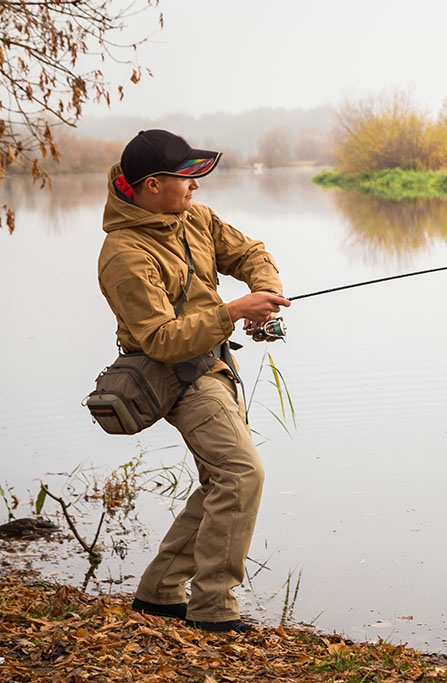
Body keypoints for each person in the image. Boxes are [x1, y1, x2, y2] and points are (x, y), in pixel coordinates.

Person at [97, 129, 290, 633]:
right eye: (186, 178)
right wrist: (231, 311)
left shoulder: (194, 218)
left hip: (215, 364)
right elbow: (160, 339)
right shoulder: (123, 254)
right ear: (151, 185)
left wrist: (264, 296)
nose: (196, 188)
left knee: (220, 480)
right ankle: (214, 609)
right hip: (173, 374)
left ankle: (159, 593)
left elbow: (250, 253)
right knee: (243, 474)